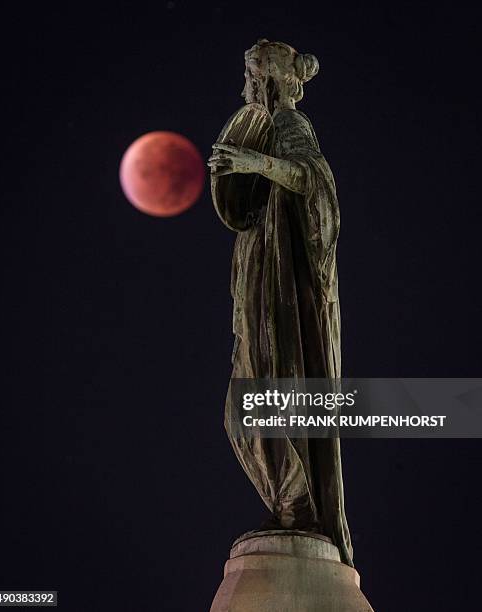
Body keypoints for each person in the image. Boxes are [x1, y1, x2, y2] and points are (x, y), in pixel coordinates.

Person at [208, 39, 353, 567]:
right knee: (246, 402)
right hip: (261, 286)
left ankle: (298, 507)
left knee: (259, 397)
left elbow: (316, 184)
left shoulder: (291, 124)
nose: (244, 86)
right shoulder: (269, 126)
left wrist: (255, 161)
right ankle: (292, 504)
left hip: (284, 297)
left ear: (268, 79)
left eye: (249, 76)